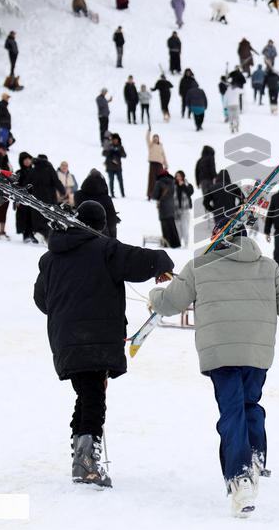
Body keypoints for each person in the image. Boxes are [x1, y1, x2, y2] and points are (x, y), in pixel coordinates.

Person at [148, 217, 279, 517]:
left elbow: (170, 303)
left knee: (232, 411)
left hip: (220, 353)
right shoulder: (267, 266)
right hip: (257, 353)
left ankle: (241, 475)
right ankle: (255, 456)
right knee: (249, 405)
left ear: (218, 235)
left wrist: (154, 297)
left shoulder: (200, 264)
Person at [34, 201, 174, 489]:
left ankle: (81, 454)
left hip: (65, 340)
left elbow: (41, 300)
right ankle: (86, 461)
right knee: (94, 396)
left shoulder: (50, 258)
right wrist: (162, 263)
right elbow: (139, 259)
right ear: (101, 225)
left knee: (86, 393)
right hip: (95, 337)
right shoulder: (104, 248)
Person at [75, 170, 119, 238]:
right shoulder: (106, 198)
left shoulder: (78, 195)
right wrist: (113, 239)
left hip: (81, 233)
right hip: (102, 235)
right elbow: (111, 221)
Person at [150, 169, 181, 248]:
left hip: (163, 207)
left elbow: (154, 196)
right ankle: (176, 244)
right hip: (171, 207)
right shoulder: (172, 182)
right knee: (172, 225)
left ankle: (167, 244)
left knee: (165, 227)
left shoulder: (159, 182)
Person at [172, 171, 195, 246]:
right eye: (176, 176)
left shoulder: (188, 185)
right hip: (175, 210)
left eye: (179, 176)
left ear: (183, 176)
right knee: (177, 228)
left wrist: (183, 186)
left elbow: (190, 192)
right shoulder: (173, 185)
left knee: (185, 227)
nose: (178, 177)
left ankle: (186, 243)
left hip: (185, 210)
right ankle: (178, 243)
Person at [102, 133, 126, 198]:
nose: (115, 141)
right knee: (111, 181)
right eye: (114, 139)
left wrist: (119, 153)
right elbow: (103, 153)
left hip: (118, 167)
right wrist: (110, 152)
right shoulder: (109, 146)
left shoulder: (120, 147)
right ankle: (112, 194)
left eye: (116, 139)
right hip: (110, 167)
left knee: (120, 181)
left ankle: (123, 194)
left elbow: (124, 155)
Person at [146, 129, 168, 199]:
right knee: (152, 180)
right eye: (154, 138)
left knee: (160, 180)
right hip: (152, 164)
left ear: (158, 139)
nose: (155, 139)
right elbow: (147, 138)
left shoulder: (160, 146)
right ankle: (150, 194)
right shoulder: (151, 145)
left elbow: (163, 155)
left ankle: (159, 194)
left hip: (159, 164)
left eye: (156, 138)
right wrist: (149, 132)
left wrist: (166, 164)